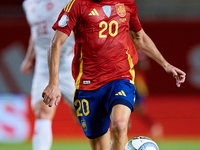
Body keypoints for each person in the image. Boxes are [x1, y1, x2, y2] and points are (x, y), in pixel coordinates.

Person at [42, 0, 186, 149]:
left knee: (120, 125)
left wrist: (166, 64)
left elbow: (139, 37)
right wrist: (53, 83)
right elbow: (55, 44)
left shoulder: (127, 3)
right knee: (100, 147)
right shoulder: (77, 5)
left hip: (120, 78)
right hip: (88, 86)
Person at [20, 0, 75, 150]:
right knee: (42, 111)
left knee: (85, 112)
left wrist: (79, 44)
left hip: (67, 63)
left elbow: (82, 18)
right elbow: (35, 31)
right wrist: (29, 57)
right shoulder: (28, 4)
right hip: (43, 65)